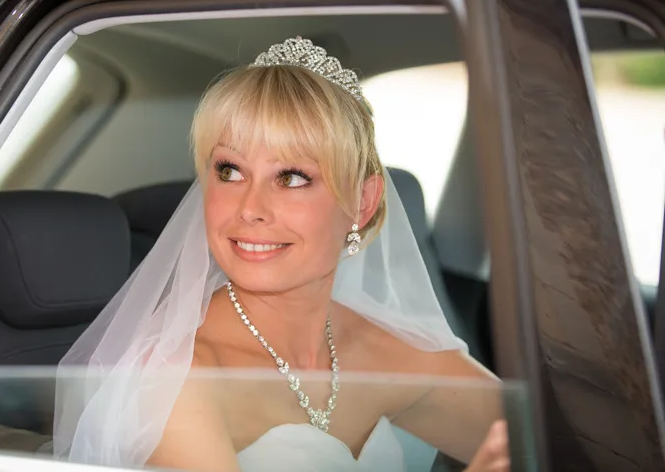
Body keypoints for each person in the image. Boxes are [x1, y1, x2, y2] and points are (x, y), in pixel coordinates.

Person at [54, 37, 510, 471]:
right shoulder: (174, 380)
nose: (250, 209)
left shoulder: (390, 349)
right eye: (229, 171)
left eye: (291, 177)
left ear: (363, 202)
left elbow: (557, 441)